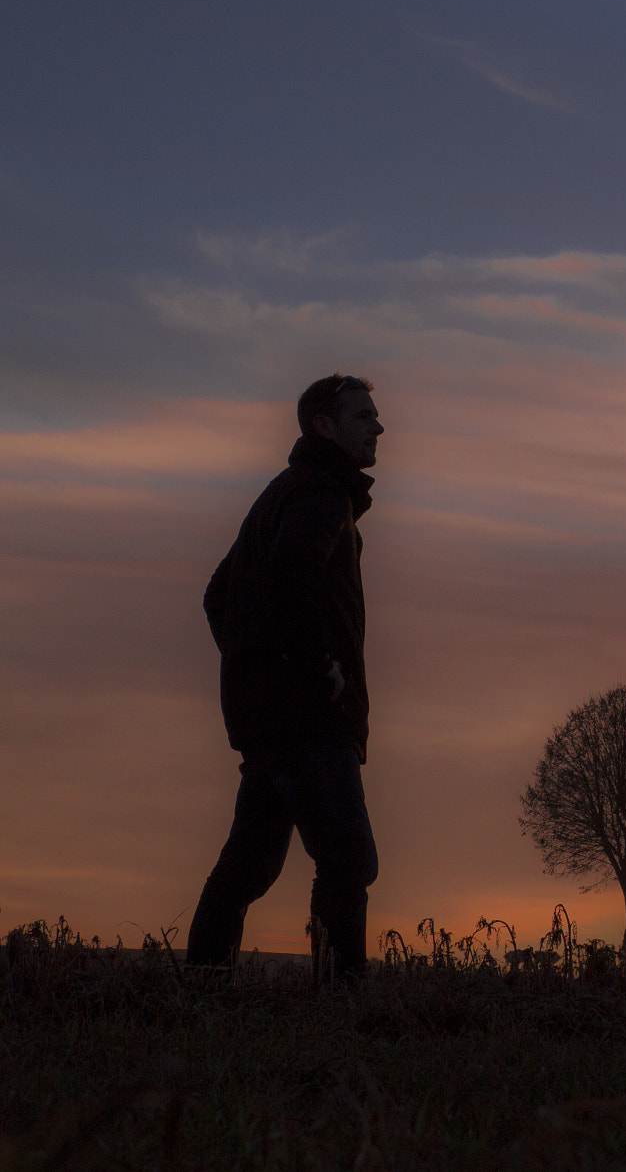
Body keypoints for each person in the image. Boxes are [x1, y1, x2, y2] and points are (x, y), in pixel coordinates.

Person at [186, 374, 384, 981]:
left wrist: (255, 670)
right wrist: (312, 664)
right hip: (309, 720)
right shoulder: (323, 495)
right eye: (363, 417)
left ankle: (201, 992)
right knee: (348, 859)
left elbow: (219, 596)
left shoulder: (282, 494)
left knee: (249, 865)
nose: (377, 427)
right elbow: (293, 578)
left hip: (269, 721)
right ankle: (340, 1004)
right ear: (323, 424)